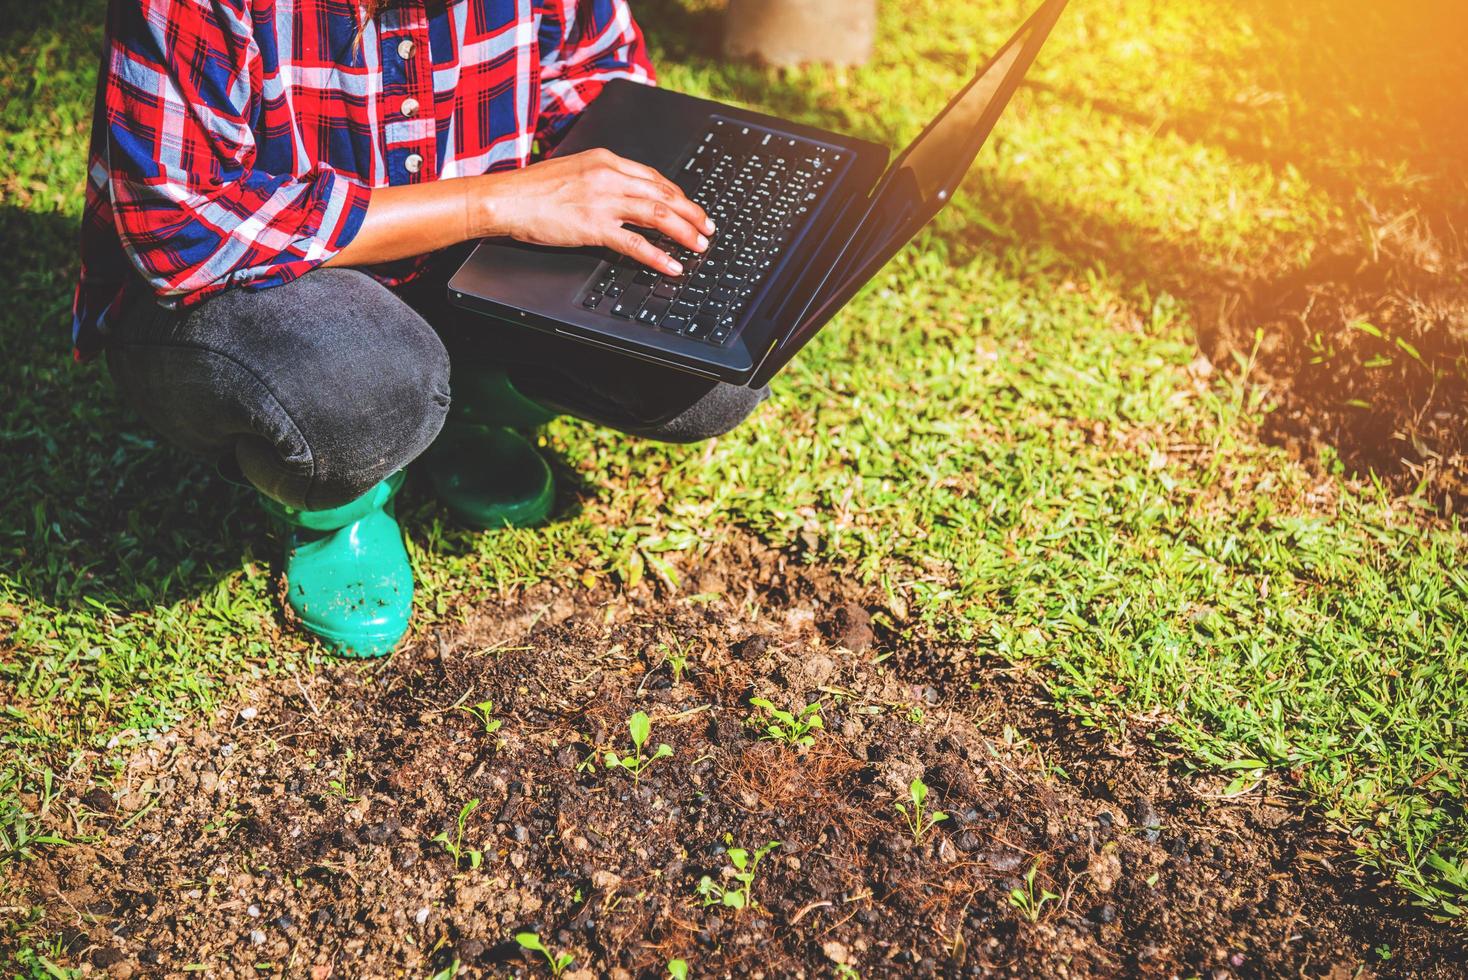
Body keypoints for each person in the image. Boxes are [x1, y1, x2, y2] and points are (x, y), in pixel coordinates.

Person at [76, 0, 767, 657]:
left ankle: (465, 406)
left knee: (712, 363)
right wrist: (492, 202)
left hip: (469, 270)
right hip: (262, 294)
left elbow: (594, 73)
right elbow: (182, 227)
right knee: (359, 385)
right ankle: (340, 506)